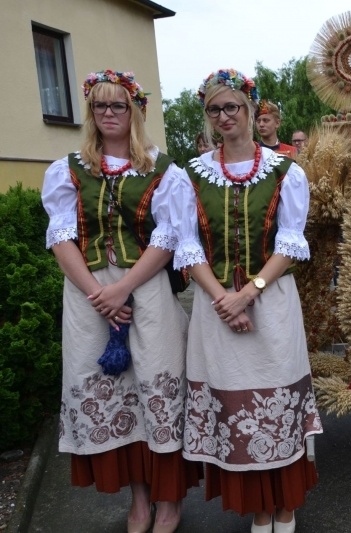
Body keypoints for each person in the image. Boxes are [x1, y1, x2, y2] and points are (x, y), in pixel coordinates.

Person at [41, 70, 200, 533]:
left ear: (135, 112)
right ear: (91, 114)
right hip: (87, 294)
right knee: (118, 396)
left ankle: (169, 503)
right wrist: (100, 296)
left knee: (157, 385)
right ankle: (140, 502)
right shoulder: (68, 169)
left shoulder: (162, 169)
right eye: (100, 106)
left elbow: (168, 238)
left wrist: (122, 288)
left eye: (118, 106)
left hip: (145, 287)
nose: (108, 113)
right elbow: (61, 237)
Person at [174, 68, 322, 533]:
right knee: (235, 403)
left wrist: (249, 293)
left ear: (251, 110)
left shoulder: (285, 171)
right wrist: (224, 299)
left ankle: (285, 502)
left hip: (272, 302)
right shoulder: (190, 175)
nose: (224, 116)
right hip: (214, 305)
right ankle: (259, 505)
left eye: (232, 107)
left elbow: (291, 243)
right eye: (215, 109)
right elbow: (188, 246)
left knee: (276, 397)